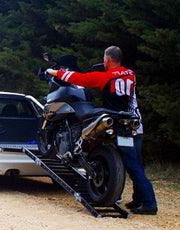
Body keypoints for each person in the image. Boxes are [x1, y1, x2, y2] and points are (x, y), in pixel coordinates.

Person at [46, 46, 157, 215]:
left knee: (133, 165)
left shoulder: (105, 77)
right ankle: (139, 199)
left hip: (120, 125)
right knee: (135, 163)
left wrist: (55, 73)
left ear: (107, 60)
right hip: (135, 123)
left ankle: (149, 203)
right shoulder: (130, 74)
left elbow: (79, 78)